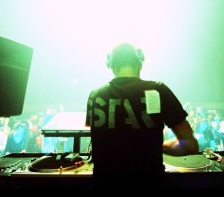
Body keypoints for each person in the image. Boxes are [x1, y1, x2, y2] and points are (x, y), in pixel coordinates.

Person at [85, 42, 199, 189]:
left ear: (111, 65)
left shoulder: (95, 95)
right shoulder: (158, 91)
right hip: (149, 185)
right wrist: (153, 147)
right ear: (140, 63)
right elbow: (190, 145)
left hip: (104, 186)